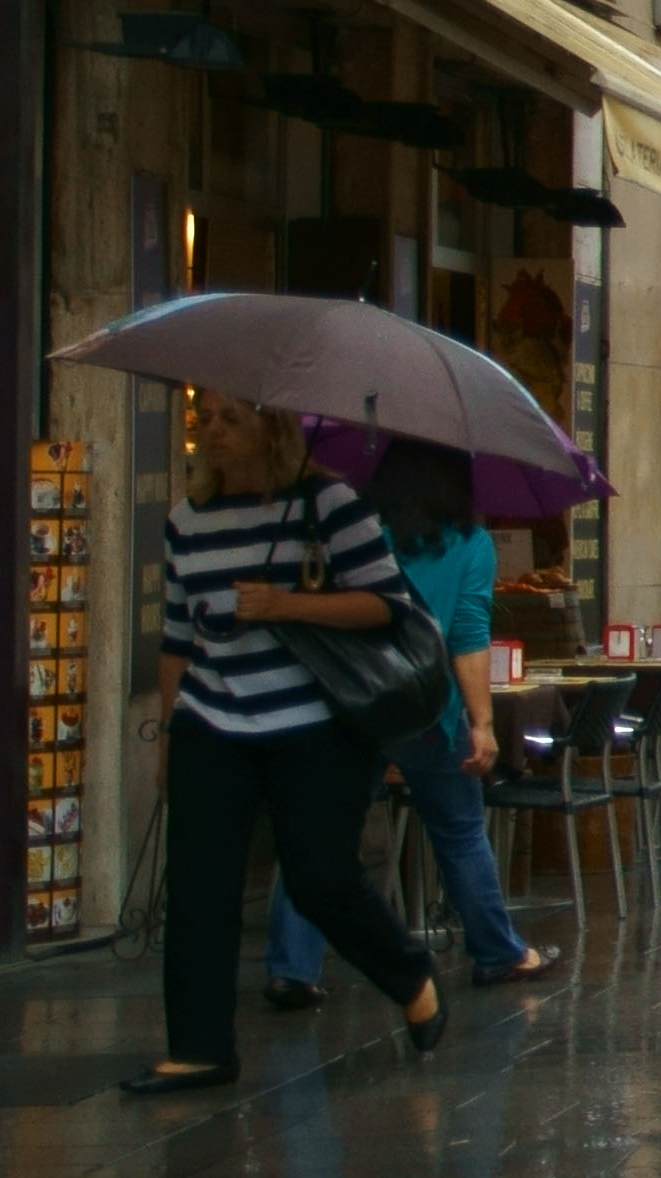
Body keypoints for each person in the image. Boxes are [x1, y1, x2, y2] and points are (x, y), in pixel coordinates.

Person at [141, 390, 441, 1094]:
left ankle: (409, 972)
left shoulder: (328, 507)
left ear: (271, 430)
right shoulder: (188, 521)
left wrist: (285, 605)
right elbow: (177, 637)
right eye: (203, 420)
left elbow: (384, 604)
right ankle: (199, 1048)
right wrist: (168, 732)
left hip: (316, 724)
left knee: (319, 876)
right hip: (213, 721)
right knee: (197, 886)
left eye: (230, 420)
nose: (212, 432)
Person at [271, 436, 546, 1004]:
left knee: (320, 834)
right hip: (427, 707)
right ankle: (498, 952)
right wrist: (482, 722)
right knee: (460, 831)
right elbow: (467, 636)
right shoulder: (471, 543)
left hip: (350, 703)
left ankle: (292, 968)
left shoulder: (354, 529)